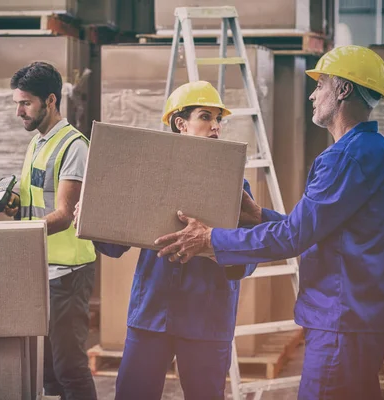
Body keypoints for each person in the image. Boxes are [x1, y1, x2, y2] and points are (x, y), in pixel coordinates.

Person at [155, 45, 384, 399]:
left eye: (320, 85)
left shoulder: (346, 157)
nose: (312, 94)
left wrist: (212, 239)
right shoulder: (378, 151)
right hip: (358, 318)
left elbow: (294, 237)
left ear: (344, 90)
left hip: (340, 319)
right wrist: (258, 215)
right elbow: (320, 230)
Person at [74, 81, 259, 400]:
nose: (215, 127)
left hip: (206, 317)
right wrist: (91, 218)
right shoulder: (150, 178)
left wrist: (213, 247)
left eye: (218, 119)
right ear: (181, 123)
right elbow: (115, 245)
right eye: (206, 117)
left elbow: (248, 257)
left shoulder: (235, 185)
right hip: (152, 312)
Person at [3, 62, 97, 399]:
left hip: (68, 274)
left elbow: (63, 214)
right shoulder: (38, 143)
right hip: (41, 270)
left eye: (25, 103)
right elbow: (34, 203)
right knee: (47, 370)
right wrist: (14, 206)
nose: (19, 112)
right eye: (18, 103)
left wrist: (13, 237)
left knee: (69, 367)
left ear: (51, 100)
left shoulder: (74, 146)